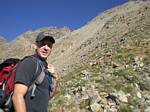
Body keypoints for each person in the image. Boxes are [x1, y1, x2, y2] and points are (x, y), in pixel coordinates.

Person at [12, 31, 58, 112]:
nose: (46, 48)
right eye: (42, 44)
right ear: (36, 45)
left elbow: (48, 96)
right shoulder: (29, 63)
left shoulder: (46, 68)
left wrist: (55, 78)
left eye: (49, 45)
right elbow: (17, 96)